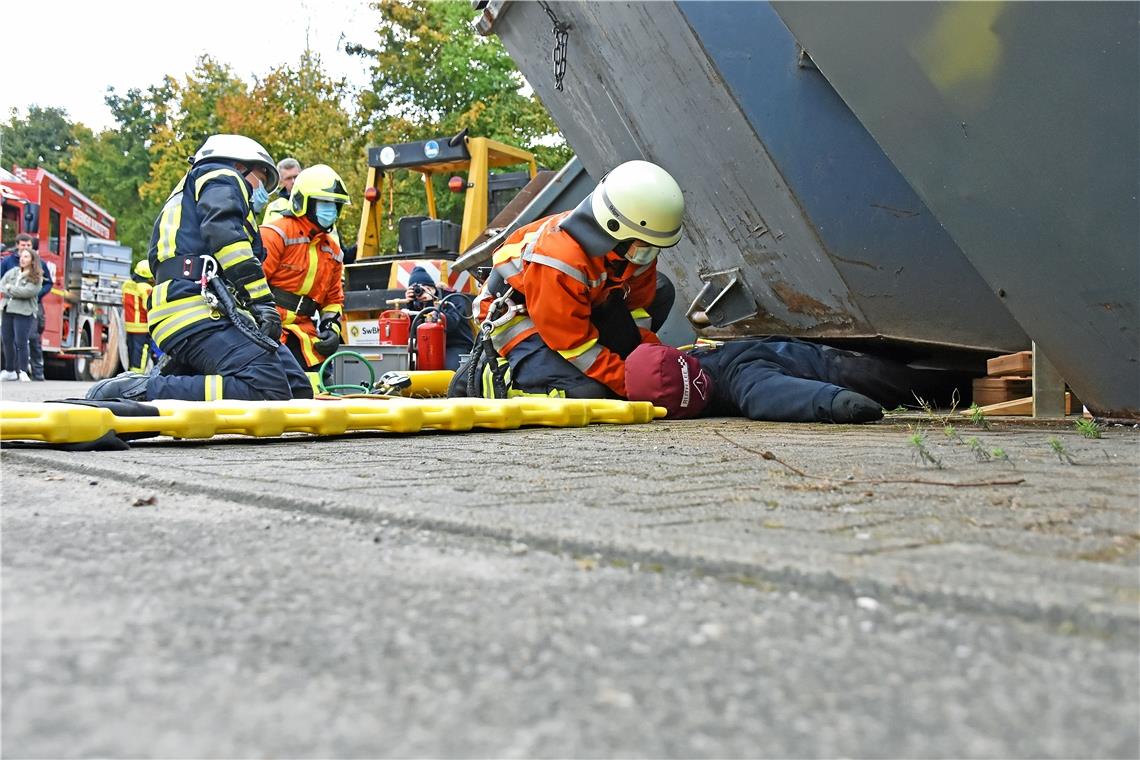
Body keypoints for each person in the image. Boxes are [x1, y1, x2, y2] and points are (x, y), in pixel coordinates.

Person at [86, 134, 312, 402]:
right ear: (240, 165)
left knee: (297, 388)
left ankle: (183, 376)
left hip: (213, 310)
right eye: (261, 179)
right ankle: (142, 391)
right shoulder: (220, 175)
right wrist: (262, 302)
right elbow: (226, 237)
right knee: (267, 388)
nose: (260, 190)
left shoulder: (200, 189)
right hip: (194, 309)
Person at [449, 159, 683, 399]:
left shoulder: (636, 246)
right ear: (616, 229)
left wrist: (648, 363)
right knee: (587, 392)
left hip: (577, 309)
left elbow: (637, 311)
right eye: (645, 246)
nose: (650, 254)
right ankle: (486, 378)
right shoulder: (560, 260)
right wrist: (629, 384)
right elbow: (575, 345)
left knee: (662, 289)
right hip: (519, 316)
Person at [624, 338, 966, 423]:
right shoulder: (742, 380)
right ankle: (969, 382)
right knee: (934, 384)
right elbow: (772, 394)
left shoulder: (718, 367)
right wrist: (835, 402)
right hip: (839, 368)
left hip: (834, 359)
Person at [259, 164, 350, 371]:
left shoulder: (332, 250)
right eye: (325, 203)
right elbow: (252, 287)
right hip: (269, 332)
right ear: (304, 203)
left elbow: (333, 300)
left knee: (321, 385)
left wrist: (331, 327)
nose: (331, 210)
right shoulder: (275, 234)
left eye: (335, 205)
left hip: (305, 336)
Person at [1, 233, 53, 380]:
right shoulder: (9, 266)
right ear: (17, 245)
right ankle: (10, 370)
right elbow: (2, 283)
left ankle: (30, 371)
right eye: (23, 247)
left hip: (26, 310)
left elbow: (31, 290)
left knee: (27, 339)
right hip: (8, 309)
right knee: (7, 340)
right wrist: (11, 290)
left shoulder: (38, 270)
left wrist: (14, 291)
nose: (23, 257)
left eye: (28, 247)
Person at [403, 265, 475, 370]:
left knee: (448, 371)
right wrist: (409, 305)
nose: (422, 293)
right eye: (417, 291)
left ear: (433, 288)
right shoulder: (416, 304)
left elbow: (450, 324)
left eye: (426, 289)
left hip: (456, 344)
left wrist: (430, 304)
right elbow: (413, 333)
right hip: (429, 346)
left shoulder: (454, 298)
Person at [122, 259, 155, 373]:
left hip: (129, 325)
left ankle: (131, 373)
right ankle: (137, 375)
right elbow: (149, 307)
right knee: (142, 351)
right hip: (142, 326)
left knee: (131, 350)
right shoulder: (146, 288)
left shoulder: (127, 285)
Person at [261, 157, 302, 225]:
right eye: (288, 178)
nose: (293, 181)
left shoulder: (312, 200)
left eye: (296, 176)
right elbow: (266, 233)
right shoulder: (273, 208)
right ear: (281, 181)